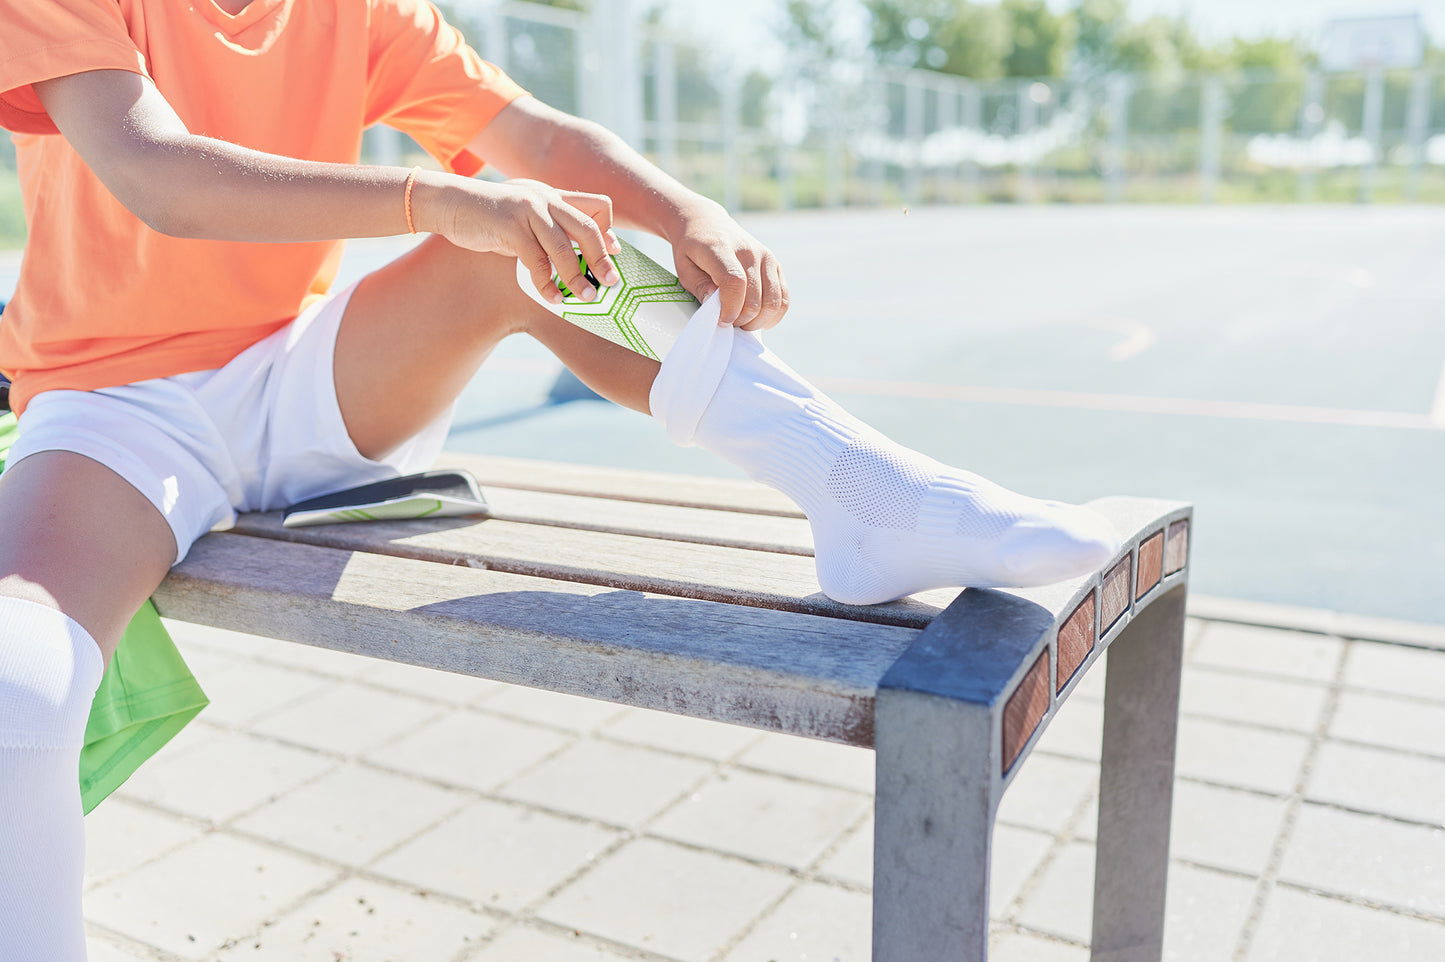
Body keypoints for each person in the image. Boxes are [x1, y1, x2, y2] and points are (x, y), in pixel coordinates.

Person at [0, 0, 1119, 956]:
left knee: (521, 244)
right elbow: (154, 172)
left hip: (301, 378)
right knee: (20, 683)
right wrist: (437, 199)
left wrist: (684, 211)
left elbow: (531, 133)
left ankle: (864, 493)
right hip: (116, 409)